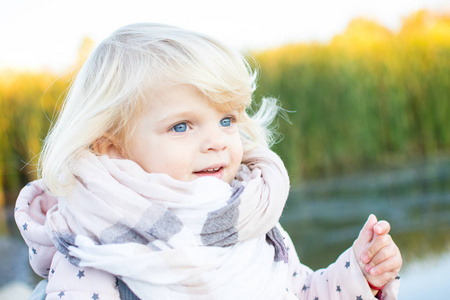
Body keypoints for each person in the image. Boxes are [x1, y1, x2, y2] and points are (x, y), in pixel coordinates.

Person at [15, 23, 402, 300]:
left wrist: (359, 274)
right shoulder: (98, 245)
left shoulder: (242, 216)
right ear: (111, 147)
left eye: (226, 120)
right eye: (182, 126)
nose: (216, 141)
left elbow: (300, 292)